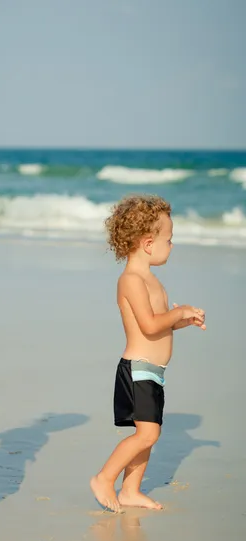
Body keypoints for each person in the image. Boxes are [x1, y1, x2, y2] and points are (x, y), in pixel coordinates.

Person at [90, 194, 205, 512]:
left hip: (154, 370)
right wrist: (177, 314)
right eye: (169, 239)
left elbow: (161, 327)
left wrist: (183, 320)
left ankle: (130, 489)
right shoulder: (131, 280)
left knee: (148, 433)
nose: (172, 245)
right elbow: (150, 325)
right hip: (138, 368)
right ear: (148, 243)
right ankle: (104, 477)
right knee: (147, 434)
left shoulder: (154, 282)